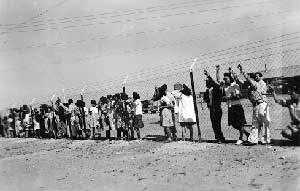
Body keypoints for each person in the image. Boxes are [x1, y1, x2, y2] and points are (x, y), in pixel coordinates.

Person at [238, 64, 271, 145]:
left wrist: (242, 71)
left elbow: (249, 80)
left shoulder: (261, 83)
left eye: (258, 76)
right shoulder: (254, 85)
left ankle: (265, 140)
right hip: (256, 105)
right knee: (255, 123)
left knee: (265, 122)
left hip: (262, 104)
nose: (256, 77)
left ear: (261, 77)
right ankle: (253, 140)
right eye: (255, 76)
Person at [222, 67, 249, 145]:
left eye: (226, 78)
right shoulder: (225, 87)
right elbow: (224, 98)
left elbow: (238, 96)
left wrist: (229, 97)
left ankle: (240, 138)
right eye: (224, 79)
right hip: (230, 107)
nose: (225, 80)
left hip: (237, 106)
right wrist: (225, 98)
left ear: (230, 78)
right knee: (234, 124)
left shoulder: (235, 85)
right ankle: (247, 134)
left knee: (240, 123)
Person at [204, 66, 226, 143]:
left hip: (217, 108)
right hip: (211, 109)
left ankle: (221, 137)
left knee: (217, 124)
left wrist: (208, 75)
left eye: (207, 81)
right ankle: (217, 137)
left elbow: (214, 81)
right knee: (213, 124)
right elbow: (206, 99)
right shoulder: (208, 91)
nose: (206, 82)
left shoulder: (216, 88)